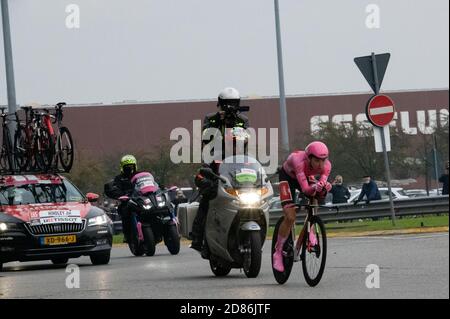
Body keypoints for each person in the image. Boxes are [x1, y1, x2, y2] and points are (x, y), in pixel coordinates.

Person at [272, 141, 332, 273]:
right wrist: (315, 187)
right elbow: (305, 189)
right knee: (290, 216)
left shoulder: (327, 166)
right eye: (317, 160)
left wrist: (325, 188)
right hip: (287, 177)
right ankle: (278, 251)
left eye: (323, 160)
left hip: (305, 176)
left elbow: (320, 188)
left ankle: (310, 231)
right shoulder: (299, 162)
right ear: (309, 157)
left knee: (316, 196)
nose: (320, 164)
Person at [190, 127, 250, 253]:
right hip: (219, 191)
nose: (238, 147)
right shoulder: (216, 157)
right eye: (235, 144)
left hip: (241, 192)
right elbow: (202, 172)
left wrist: (262, 180)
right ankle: (197, 238)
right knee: (205, 202)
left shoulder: (247, 160)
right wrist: (203, 180)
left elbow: (257, 172)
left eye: (241, 144)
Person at [202, 87, 249, 154]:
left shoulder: (243, 119)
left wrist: (234, 125)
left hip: (239, 157)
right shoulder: (211, 118)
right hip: (215, 157)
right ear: (220, 103)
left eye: (233, 103)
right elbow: (206, 139)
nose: (230, 107)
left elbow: (245, 140)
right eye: (227, 103)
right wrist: (217, 121)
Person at [104, 154, 138, 243]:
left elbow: (148, 181)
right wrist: (120, 195)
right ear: (123, 167)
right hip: (127, 200)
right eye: (127, 167)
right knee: (124, 210)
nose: (130, 169)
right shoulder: (119, 178)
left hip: (141, 198)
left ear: (135, 166)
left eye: (132, 166)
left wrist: (157, 186)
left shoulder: (139, 175)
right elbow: (114, 188)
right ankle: (127, 234)